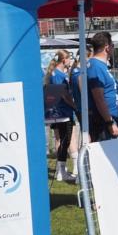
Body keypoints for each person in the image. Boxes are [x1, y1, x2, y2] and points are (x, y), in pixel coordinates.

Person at [84, 32, 118, 141]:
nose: (113, 48)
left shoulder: (101, 66)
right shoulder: (95, 67)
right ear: (107, 48)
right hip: (102, 121)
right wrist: (109, 122)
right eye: (112, 46)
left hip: (108, 119)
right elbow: (99, 98)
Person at [44, 50, 77, 182]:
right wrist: (74, 106)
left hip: (59, 113)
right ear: (64, 60)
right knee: (66, 140)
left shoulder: (56, 74)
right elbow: (63, 94)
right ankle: (63, 171)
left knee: (63, 140)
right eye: (69, 59)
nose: (70, 61)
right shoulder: (58, 75)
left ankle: (61, 171)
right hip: (63, 113)